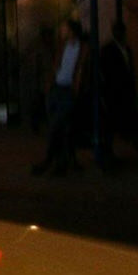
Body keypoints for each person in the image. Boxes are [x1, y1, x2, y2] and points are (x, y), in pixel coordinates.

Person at [33, 18, 86, 175]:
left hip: (69, 90)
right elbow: (56, 66)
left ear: (72, 31)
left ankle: (52, 160)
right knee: (62, 127)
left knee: (56, 126)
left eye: (64, 28)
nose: (62, 31)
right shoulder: (62, 46)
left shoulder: (83, 48)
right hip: (57, 88)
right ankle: (66, 160)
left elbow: (82, 69)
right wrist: (50, 86)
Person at [98, 19, 138, 164]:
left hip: (121, 90)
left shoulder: (122, 49)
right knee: (114, 122)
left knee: (118, 121)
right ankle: (112, 150)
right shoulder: (113, 50)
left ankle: (113, 150)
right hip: (115, 90)